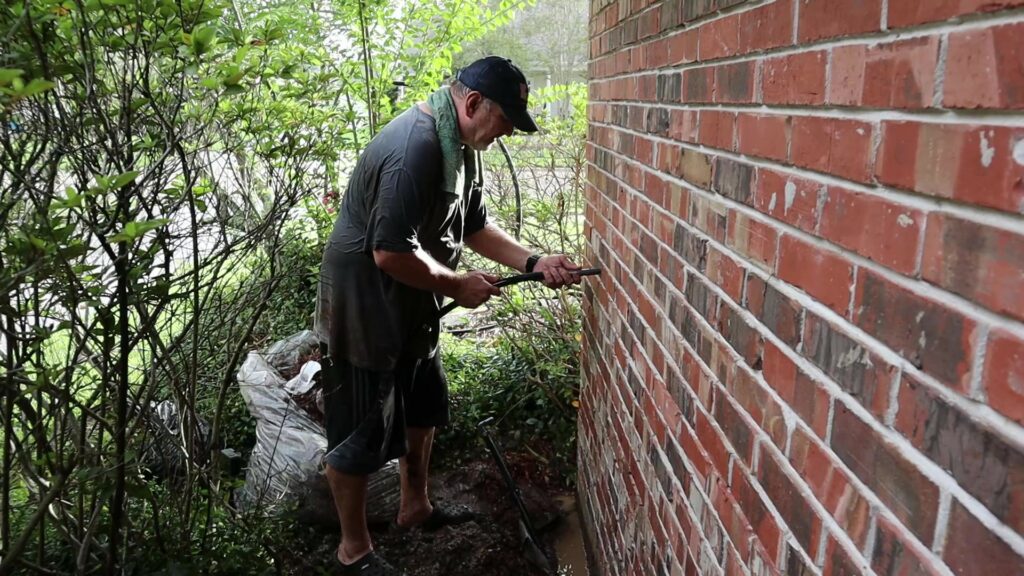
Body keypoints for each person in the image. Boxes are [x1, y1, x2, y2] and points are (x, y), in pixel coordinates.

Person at [314, 55, 582, 575]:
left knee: (423, 405)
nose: (504, 134)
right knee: (360, 432)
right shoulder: (414, 147)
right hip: (364, 308)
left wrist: (534, 260)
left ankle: (415, 507)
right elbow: (389, 252)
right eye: (503, 121)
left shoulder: (461, 144)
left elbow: (474, 226)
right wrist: (457, 284)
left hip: (414, 301)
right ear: (474, 102)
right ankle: (355, 550)